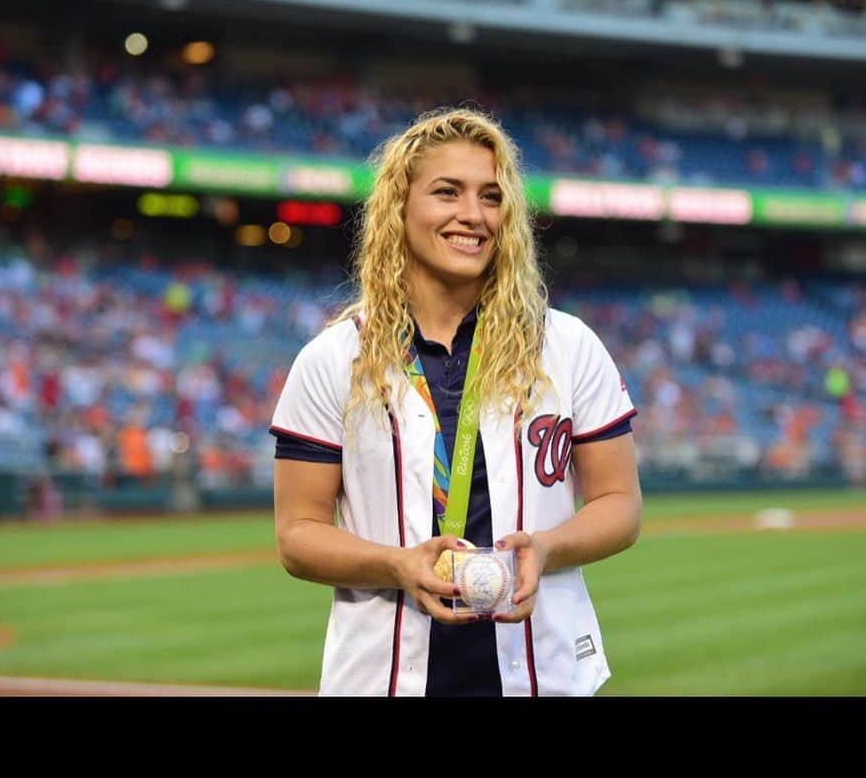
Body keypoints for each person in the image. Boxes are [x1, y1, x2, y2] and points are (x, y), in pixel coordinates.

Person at [270, 107, 642, 696]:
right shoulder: (331, 358)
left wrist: (546, 547)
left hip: (543, 671)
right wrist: (397, 564)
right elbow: (297, 534)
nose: (473, 215)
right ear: (401, 206)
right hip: (383, 676)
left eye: (492, 198)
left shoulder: (568, 345)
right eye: (448, 192)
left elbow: (621, 503)